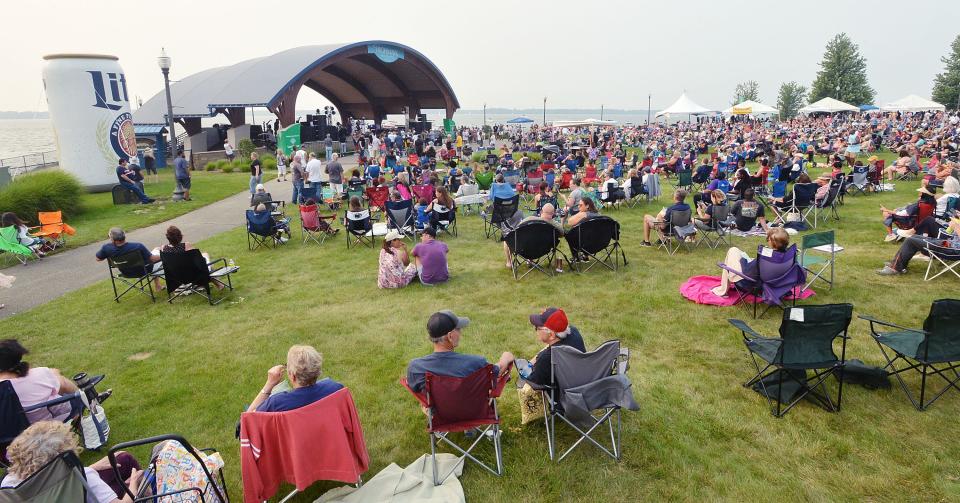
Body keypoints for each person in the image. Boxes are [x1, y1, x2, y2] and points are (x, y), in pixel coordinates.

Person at [2, 421, 143, 503]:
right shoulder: (83, 478)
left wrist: (92, 467)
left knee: (122, 460)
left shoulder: (9, 485)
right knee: (136, 473)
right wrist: (134, 486)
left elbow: (47, 484)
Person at [405, 310, 514, 392]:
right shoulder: (476, 363)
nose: (461, 332)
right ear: (450, 336)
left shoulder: (416, 367)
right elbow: (497, 372)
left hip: (439, 417)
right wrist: (505, 358)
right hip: (474, 412)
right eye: (458, 329)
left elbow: (416, 389)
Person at [0, 339, 80, 423]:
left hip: (21, 433)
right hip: (58, 424)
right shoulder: (39, 374)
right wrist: (54, 375)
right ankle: (85, 397)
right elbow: (64, 385)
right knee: (60, 385)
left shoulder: (4, 389)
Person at [246, 345, 343, 412]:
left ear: (292, 376)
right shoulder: (335, 389)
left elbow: (245, 424)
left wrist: (269, 384)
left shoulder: (276, 404)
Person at [711, 227, 790, 297]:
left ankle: (723, 290)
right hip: (773, 285)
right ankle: (723, 288)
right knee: (736, 251)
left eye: (768, 239)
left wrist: (743, 260)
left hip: (749, 284)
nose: (767, 240)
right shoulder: (787, 256)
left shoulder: (766, 257)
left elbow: (747, 272)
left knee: (733, 250)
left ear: (773, 242)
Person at [522, 308, 586, 386]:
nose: (536, 330)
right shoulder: (574, 332)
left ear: (551, 335)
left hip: (561, 394)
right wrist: (532, 362)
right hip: (580, 379)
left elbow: (531, 384)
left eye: (537, 328)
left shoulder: (545, 359)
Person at [878, 218, 960, 275]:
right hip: (948, 244)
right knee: (913, 237)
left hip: (953, 250)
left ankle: (895, 268)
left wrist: (956, 227)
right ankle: (898, 264)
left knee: (911, 241)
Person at [502, 203, 564, 271]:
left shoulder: (529, 219)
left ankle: (509, 263)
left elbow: (517, 230)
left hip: (524, 250)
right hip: (543, 250)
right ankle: (530, 260)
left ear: (541, 212)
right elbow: (562, 234)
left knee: (507, 240)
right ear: (554, 213)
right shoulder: (555, 225)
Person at [95, 227, 162, 289]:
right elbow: (153, 259)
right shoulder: (137, 246)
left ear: (112, 239)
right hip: (144, 270)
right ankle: (165, 285)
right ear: (124, 235)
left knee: (155, 251)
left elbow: (98, 258)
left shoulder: (106, 248)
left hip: (126, 272)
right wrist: (164, 254)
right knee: (159, 251)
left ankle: (158, 286)